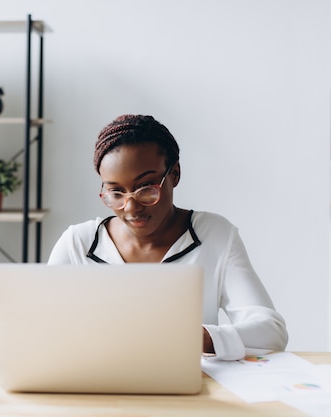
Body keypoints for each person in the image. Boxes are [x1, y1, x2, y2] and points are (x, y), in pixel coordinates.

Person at [48, 114, 288, 361]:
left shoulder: (215, 235)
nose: (131, 208)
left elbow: (271, 331)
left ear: (174, 174)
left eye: (147, 188)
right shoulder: (79, 243)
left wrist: (196, 337)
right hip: (95, 385)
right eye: (116, 192)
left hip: (186, 390)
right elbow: (40, 326)